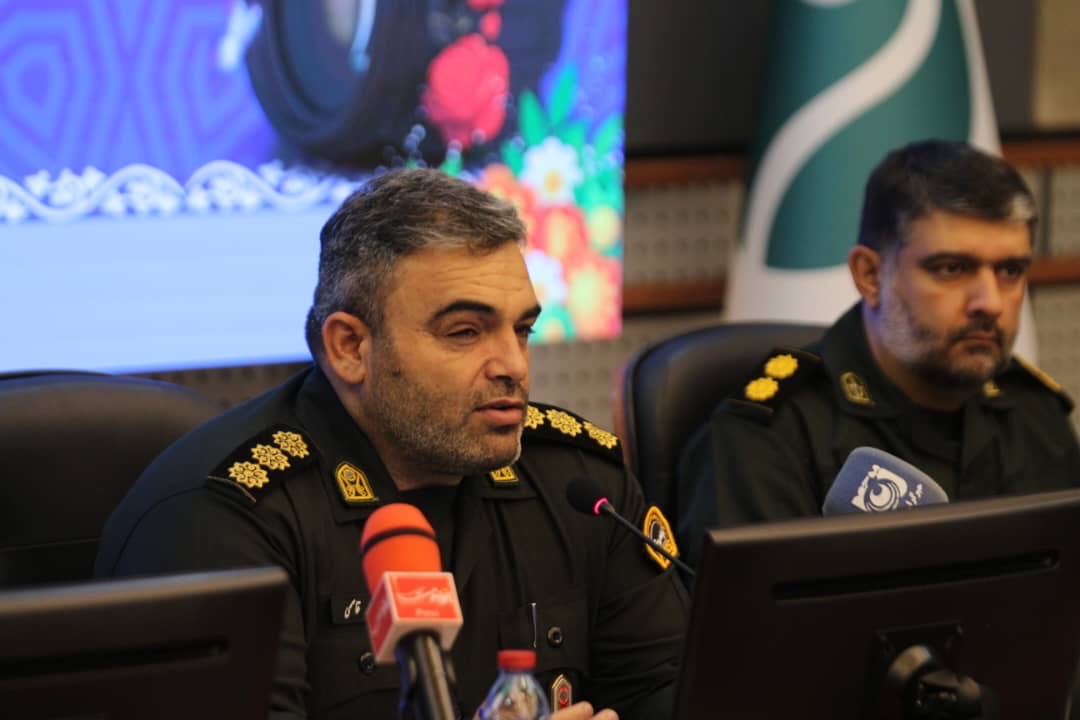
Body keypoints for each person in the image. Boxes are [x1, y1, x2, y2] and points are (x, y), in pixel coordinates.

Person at [95, 169, 688, 720]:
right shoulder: (223, 520)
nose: (513, 365)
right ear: (350, 348)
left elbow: (676, 697)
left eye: (522, 329)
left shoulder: (581, 486)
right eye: (465, 332)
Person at [677, 139, 1080, 567]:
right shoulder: (770, 436)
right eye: (951, 268)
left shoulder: (1035, 414)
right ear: (870, 275)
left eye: (1010, 271)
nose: (991, 302)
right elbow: (748, 609)